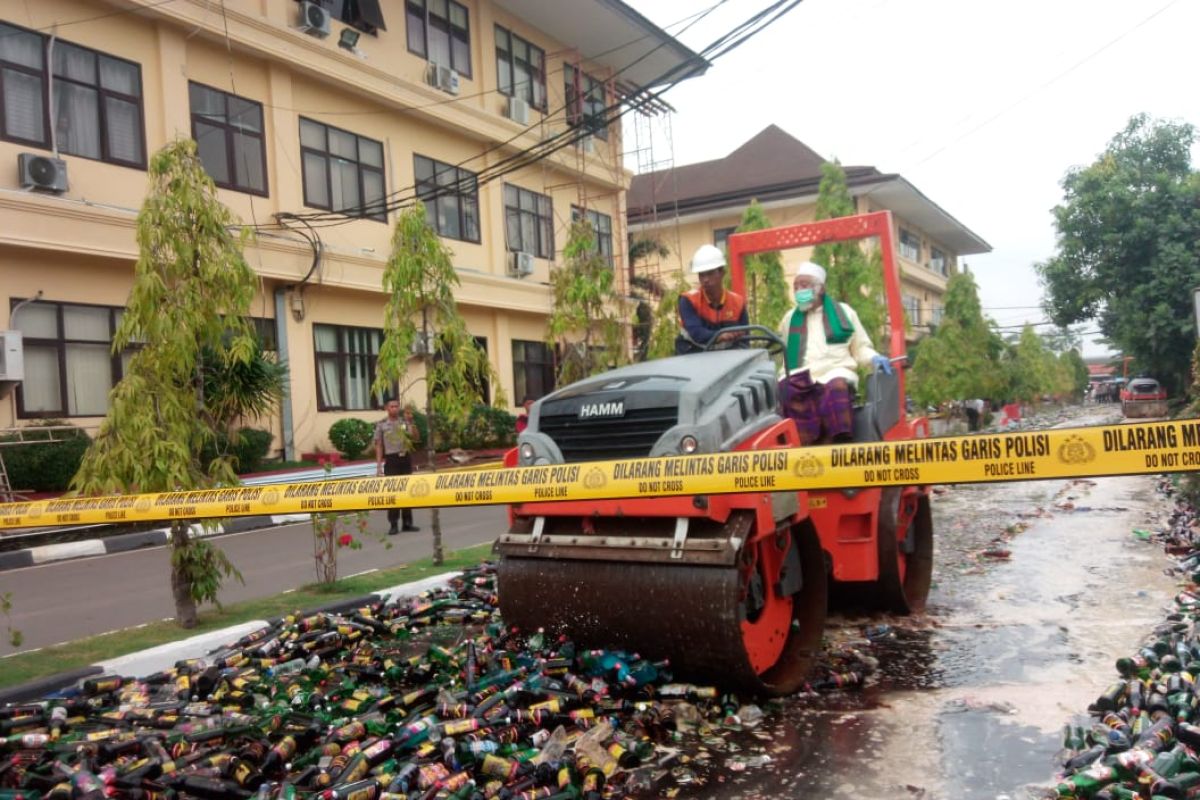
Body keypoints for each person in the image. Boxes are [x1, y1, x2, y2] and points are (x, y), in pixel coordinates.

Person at [777, 260, 893, 445]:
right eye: (796, 286)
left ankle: (838, 445)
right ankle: (799, 447)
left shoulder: (845, 312)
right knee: (785, 390)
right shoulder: (789, 318)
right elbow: (784, 351)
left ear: (820, 289)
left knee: (836, 387)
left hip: (836, 371)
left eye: (804, 285)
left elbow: (860, 347)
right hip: (800, 376)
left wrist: (874, 358)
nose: (799, 291)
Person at [675, 244, 749, 355]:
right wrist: (720, 336)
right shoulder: (688, 301)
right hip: (693, 357)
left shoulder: (738, 303)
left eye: (710, 273)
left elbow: (745, 339)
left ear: (722, 273)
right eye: (701, 275)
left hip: (727, 360)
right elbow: (696, 333)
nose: (705, 280)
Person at [375, 398, 420, 535]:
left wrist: (411, 422)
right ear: (386, 408)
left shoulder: (404, 422)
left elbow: (415, 438)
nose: (395, 408)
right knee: (393, 493)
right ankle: (393, 523)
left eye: (396, 406)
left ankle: (407, 523)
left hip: (405, 458)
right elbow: (378, 445)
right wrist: (378, 466)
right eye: (392, 406)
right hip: (392, 460)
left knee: (407, 491)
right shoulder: (382, 425)